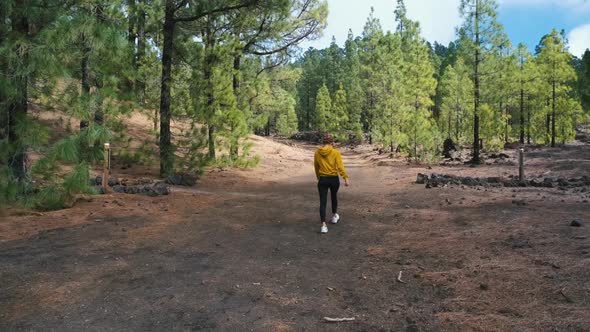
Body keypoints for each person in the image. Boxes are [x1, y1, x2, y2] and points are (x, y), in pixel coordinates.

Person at [314, 133, 349, 234]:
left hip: (323, 179)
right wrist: (345, 178)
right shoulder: (335, 152)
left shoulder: (317, 153)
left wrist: (318, 177)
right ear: (332, 142)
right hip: (334, 179)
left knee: (323, 202)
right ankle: (334, 216)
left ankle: (323, 226)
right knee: (334, 197)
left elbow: (316, 167)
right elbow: (340, 167)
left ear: (322, 142)